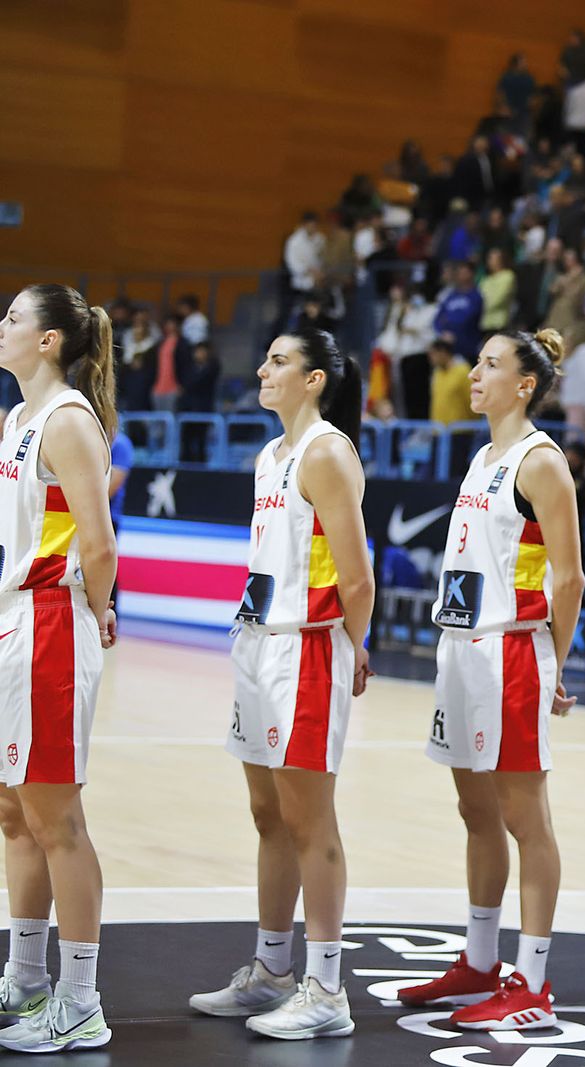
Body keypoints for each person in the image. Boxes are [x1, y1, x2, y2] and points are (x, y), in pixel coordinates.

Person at [395, 328, 584, 1030]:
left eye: (491, 364)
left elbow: (569, 576)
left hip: (511, 653)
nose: (475, 373)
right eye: (476, 361)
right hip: (462, 651)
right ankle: (478, 959)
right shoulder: (483, 457)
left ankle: (531, 978)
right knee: (475, 812)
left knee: (524, 818)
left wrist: (554, 663)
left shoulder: (541, 463)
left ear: (525, 384)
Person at [189, 329, 374, 1041]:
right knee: (268, 814)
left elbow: (357, 574)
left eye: (278, 361)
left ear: (315, 379)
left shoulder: (327, 450)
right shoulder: (272, 455)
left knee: (308, 818)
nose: (262, 369)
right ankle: (270, 970)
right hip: (257, 643)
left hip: (306, 648)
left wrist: (356, 645)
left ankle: (326, 986)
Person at [0, 285, 119, 1053]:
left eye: (12, 316)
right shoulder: (18, 418)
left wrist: (97, 607)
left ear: (48, 341)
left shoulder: (69, 420)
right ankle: (27, 976)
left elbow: (98, 541)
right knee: (13, 813)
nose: (1, 324)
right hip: (16, 623)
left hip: (48, 627)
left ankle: (79, 1000)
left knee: (56, 819)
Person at [429, 340, 474, 426]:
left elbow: (470, 399)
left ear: (443, 352)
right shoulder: (437, 373)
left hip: (460, 429)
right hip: (439, 429)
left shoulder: (462, 371)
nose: (431, 358)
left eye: (433, 354)